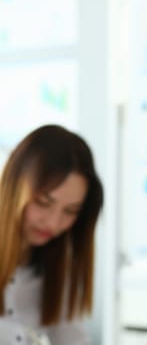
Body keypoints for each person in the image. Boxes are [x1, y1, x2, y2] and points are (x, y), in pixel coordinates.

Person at [0, 124, 104, 344]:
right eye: (43, 202)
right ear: (14, 189)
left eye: (70, 211)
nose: (53, 223)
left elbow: (72, 340)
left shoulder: (57, 267)